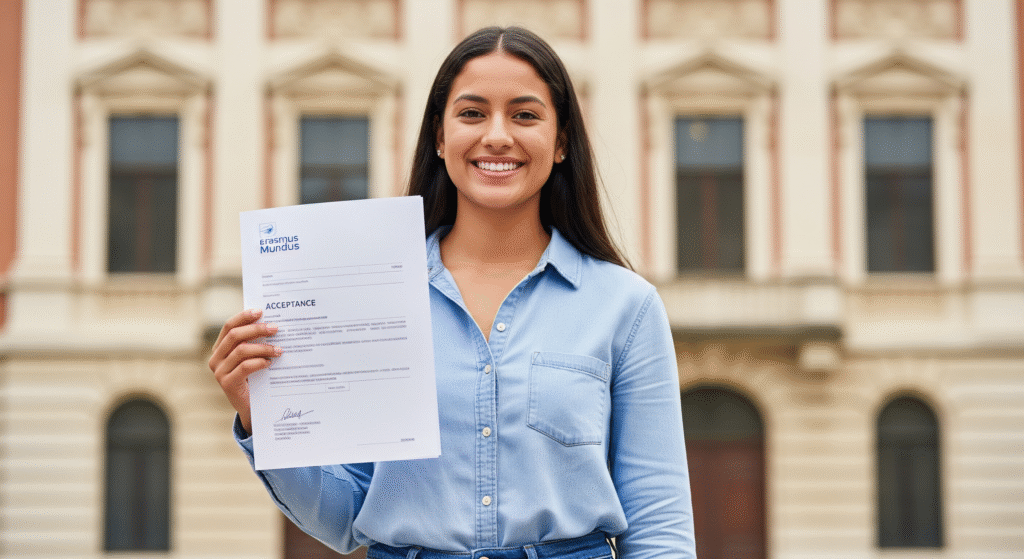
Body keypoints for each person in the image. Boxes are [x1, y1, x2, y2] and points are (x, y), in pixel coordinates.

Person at [209, 26, 696, 559]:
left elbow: (658, 525)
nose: (497, 135)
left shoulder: (625, 307)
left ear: (561, 143)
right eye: (471, 113)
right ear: (439, 138)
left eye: (525, 115)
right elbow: (344, 519)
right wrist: (263, 416)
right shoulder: (370, 297)